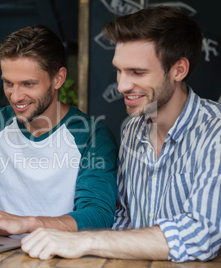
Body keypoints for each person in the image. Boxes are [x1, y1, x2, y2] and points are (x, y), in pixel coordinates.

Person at [21, 6, 221, 262]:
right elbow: (123, 219)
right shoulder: (132, 128)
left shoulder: (214, 131)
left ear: (178, 70)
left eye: (137, 72)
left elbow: (201, 236)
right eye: (119, 70)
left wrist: (84, 240)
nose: (122, 85)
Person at [0, 25, 118, 238]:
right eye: (8, 83)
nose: (15, 96)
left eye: (28, 84)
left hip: (65, 256)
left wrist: (29, 224)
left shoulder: (92, 136)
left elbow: (98, 215)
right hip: (2, 255)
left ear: (58, 78)